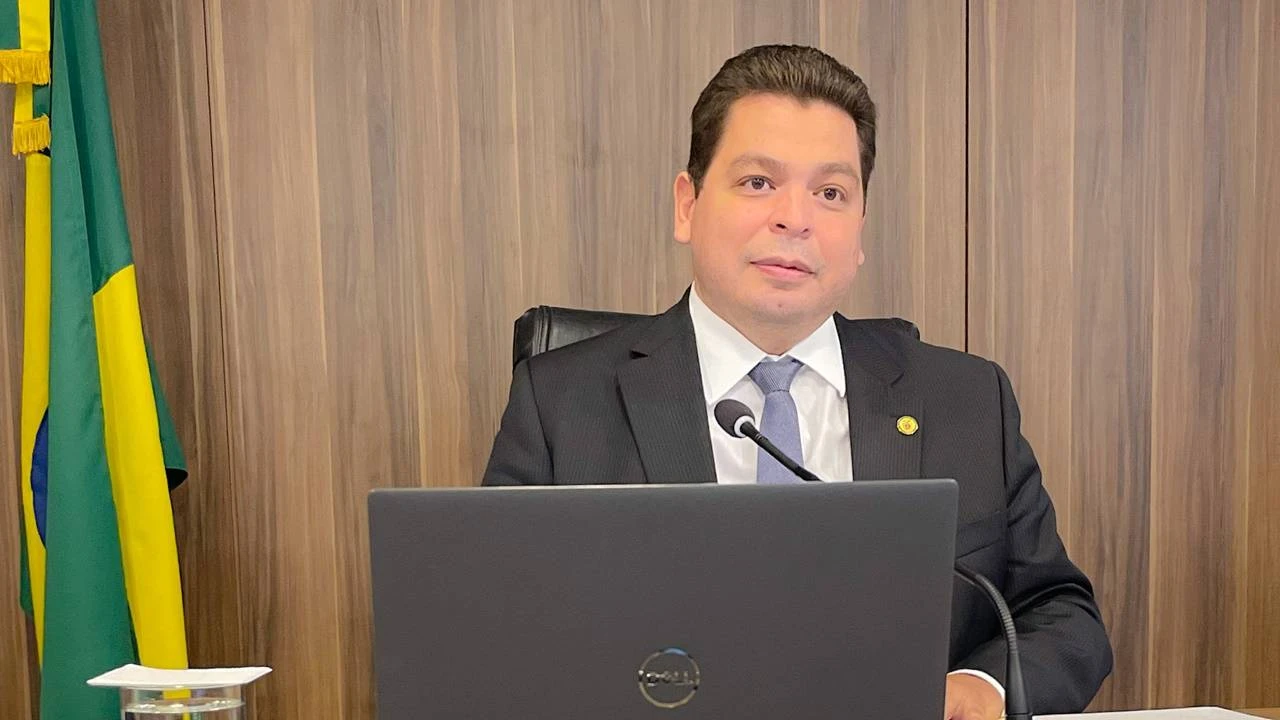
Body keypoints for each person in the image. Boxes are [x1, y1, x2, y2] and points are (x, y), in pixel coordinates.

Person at [483, 44, 1112, 719]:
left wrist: (983, 687)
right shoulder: (561, 403)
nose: (795, 218)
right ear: (687, 205)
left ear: (860, 228)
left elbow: (1060, 613)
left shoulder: (967, 400)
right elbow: (494, 630)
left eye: (831, 193)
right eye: (758, 182)